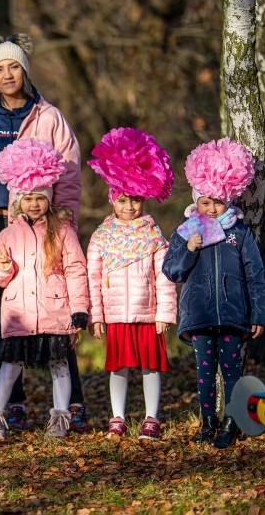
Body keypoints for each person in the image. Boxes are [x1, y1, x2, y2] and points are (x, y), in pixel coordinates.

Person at [0, 33, 88, 432]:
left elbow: (70, 176)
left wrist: (63, 225)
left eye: (14, 66)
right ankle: (15, 404)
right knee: (4, 320)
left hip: (45, 228)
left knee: (59, 314)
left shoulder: (49, 117)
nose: (8, 75)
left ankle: (72, 403)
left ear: (25, 70)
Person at [163, 138, 265, 448]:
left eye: (217, 203)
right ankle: (208, 421)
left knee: (232, 370)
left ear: (228, 200)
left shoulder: (239, 232)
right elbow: (172, 271)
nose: (210, 209)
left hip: (234, 315)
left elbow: (255, 273)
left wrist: (259, 313)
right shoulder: (186, 231)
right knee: (205, 373)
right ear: (197, 199)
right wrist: (189, 250)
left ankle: (232, 422)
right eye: (205, 202)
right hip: (200, 315)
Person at [0, 139, 89, 439]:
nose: (34, 203)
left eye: (40, 198)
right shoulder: (7, 234)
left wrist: (79, 309)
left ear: (49, 198)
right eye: (28, 198)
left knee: (60, 365)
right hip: (20, 315)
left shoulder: (63, 231)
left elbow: (75, 269)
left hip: (55, 311)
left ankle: (60, 418)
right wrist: (3, 269)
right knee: (10, 366)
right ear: (19, 199)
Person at [86, 128, 178, 441]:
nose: (129, 207)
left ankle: (152, 417)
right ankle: (118, 417)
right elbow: (93, 277)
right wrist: (96, 316)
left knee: (150, 367)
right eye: (123, 200)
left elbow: (164, 275)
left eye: (136, 200)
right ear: (113, 199)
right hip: (115, 315)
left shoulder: (153, 235)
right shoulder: (102, 237)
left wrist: (165, 312)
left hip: (147, 313)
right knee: (119, 368)